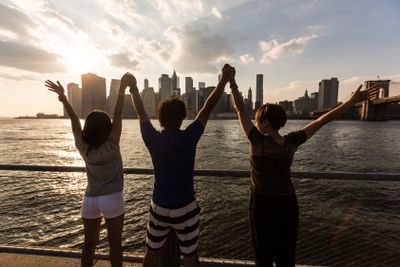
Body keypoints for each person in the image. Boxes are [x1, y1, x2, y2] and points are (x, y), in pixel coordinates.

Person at [228, 70, 380, 267]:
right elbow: (321, 120)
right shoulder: (291, 142)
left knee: (263, 253)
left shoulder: (257, 141)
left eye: (258, 120)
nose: (256, 123)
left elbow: (240, 110)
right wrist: (351, 102)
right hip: (288, 203)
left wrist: (232, 82)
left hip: (262, 203)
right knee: (286, 253)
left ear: (265, 123)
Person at [126, 64, 235, 267]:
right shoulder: (189, 137)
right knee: (190, 256)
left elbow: (141, 112)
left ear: (160, 119)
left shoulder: (153, 139)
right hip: (185, 207)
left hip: (159, 206)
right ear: (183, 117)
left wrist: (133, 88)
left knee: (152, 252)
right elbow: (207, 108)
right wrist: (223, 80)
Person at [45, 74, 132, 267]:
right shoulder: (112, 143)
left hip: (90, 199)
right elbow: (117, 115)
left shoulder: (83, 147)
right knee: (115, 245)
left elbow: (75, 120)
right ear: (107, 128)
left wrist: (63, 98)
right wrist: (121, 90)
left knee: (89, 244)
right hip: (112, 198)